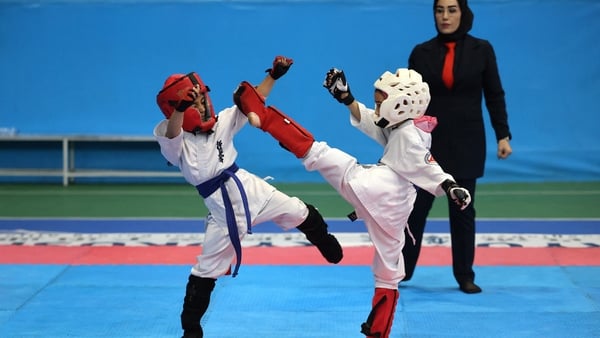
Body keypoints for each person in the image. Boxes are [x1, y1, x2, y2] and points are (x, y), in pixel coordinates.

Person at [233, 67, 472, 338]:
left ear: (401, 104)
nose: (377, 106)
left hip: (378, 188)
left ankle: (263, 116)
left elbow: (430, 167)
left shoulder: (410, 136)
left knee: (319, 153)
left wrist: (451, 186)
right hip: (397, 206)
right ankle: (378, 332)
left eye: (382, 102)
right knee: (388, 273)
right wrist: (347, 99)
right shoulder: (403, 125)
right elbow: (374, 122)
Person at [153, 56, 343, 338]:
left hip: (248, 189)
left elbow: (253, 99)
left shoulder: (222, 122)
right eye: (195, 103)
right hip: (222, 214)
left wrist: (274, 76)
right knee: (205, 271)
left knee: (299, 211)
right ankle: (190, 329)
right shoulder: (174, 141)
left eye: (203, 99)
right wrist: (181, 109)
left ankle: (323, 239)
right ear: (177, 109)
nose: (203, 105)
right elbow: (172, 132)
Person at [402, 0, 513, 294]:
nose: (445, 16)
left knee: (463, 213)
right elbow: (408, 101)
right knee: (414, 212)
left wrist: (503, 135)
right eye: (439, 10)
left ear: (463, 13)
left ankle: (465, 276)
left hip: (467, 143)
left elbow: (494, 94)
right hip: (427, 147)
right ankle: (401, 270)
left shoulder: (482, 50)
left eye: (452, 10)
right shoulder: (421, 53)